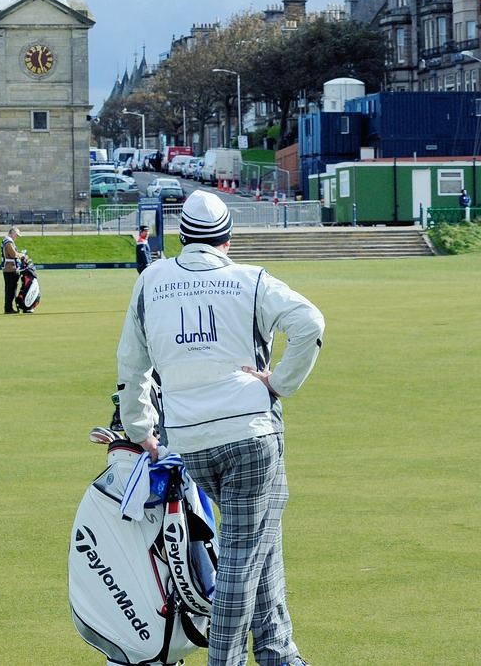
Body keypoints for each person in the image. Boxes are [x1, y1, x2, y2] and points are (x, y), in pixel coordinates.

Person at [115, 190, 324, 666]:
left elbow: (131, 365)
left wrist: (142, 429)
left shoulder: (151, 279)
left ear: (184, 236)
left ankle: (278, 654)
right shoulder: (250, 280)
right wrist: (279, 384)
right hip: (251, 437)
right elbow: (309, 324)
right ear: (228, 239)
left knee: (259, 542)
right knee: (239, 564)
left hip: (189, 443)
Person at [1, 226, 22, 314]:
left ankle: (9, 307)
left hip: (9, 268)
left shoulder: (6, 241)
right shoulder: (8, 242)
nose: (16, 237)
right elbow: (13, 254)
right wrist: (21, 255)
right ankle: (8, 308)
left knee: (10, 289)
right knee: (10, 290)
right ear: (13, 234)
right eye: (16, 235)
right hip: (10, 269)